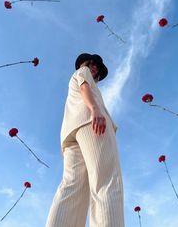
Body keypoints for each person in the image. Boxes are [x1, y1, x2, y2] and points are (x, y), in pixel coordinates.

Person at [45, 53, 124, 227]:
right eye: (92, 63)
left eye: (97, 66)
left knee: (72, 187)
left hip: (71, 132)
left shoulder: (74, 78)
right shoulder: (83, 72)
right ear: (84, 63)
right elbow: (84, 87)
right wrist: (95, 109)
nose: (94, 67)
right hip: (91, 122)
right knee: (106, 181)